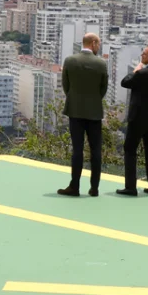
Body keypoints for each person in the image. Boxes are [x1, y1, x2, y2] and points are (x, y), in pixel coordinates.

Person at [58, 32, 108, 197]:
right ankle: (94, 188)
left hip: (75, 110)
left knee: (77, 150)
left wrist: (75, 99)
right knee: (96, 151)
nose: (99, 47)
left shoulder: (70, 61)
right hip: (94, 112)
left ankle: (74, 187)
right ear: (93, 43)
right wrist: (93, 100)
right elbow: (103, 89)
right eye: (98, 44)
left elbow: (66, 86)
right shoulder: (101, 63)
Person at [116, 43, 148, 197]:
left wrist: (136, 69)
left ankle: (131, 187)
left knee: (130, 150)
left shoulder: (143, 73)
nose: (142, 56)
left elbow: (125, 82)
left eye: (144, 54)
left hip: (138, 118)